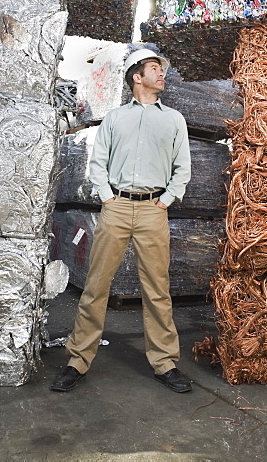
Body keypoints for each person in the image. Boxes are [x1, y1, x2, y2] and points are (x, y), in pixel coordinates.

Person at [51, 49, 193, 393]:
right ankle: (77, 361)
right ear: (137, 77)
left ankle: (164, 363)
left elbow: (182, 167)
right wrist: (106, 196)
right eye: (155, 69)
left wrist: (166, 200)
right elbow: (97, 162)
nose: (162, 75)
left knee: (157, 290)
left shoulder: (173, 119)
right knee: (97, 286)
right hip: (116, 209)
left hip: (152, 211)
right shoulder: (114, 119)